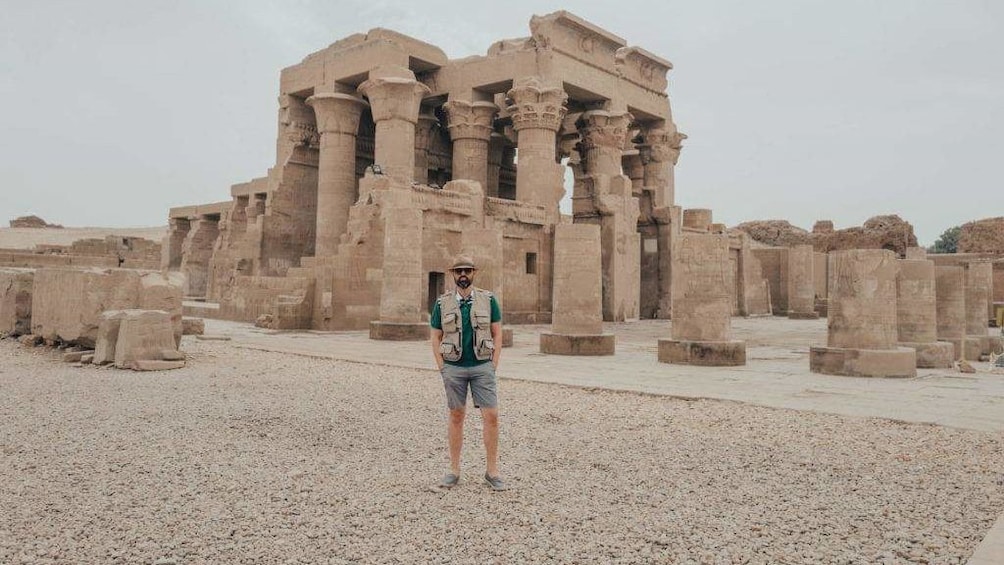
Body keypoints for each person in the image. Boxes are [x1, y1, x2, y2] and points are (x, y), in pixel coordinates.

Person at [430, 255, 505, 491]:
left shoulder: (488, 300)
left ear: (474, 273)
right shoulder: (442, 304)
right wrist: (442, 367)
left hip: (482, 365)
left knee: (491, 416)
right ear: (453, 274)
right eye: (459, 271)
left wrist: (493, 364)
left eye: (468, 271)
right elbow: (435, 335)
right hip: (454, 367)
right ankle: (454, 470)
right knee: (456, 416)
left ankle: (492, 471)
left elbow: (497, 332)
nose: (463, 275)